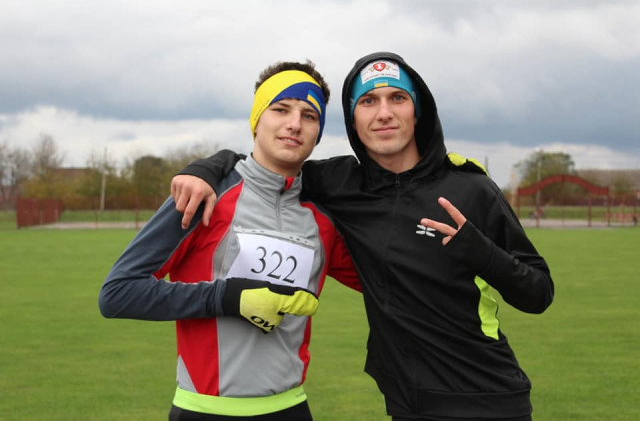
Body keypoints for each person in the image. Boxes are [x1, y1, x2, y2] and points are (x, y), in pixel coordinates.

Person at [171, 52, 554, 421]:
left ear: (418, 111)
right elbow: (264, 165)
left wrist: (482, 253)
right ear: (353, 120)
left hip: (489, 397)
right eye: (368, 101)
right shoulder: (339, 183)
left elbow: (538, 294)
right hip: (407, 402)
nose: (384, 112)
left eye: (397, 98)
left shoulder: (471, 189)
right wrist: (205, 169)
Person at [99, 60, 361, 421]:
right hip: (205, 411)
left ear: (318, 132)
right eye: (281, 109)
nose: (294, 124)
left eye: (309, 115)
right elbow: (118, 293)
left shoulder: (323, 219)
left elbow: (388, 283)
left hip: (292, 409)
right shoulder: (204, 194)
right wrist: (227, 297)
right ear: (257, 119)